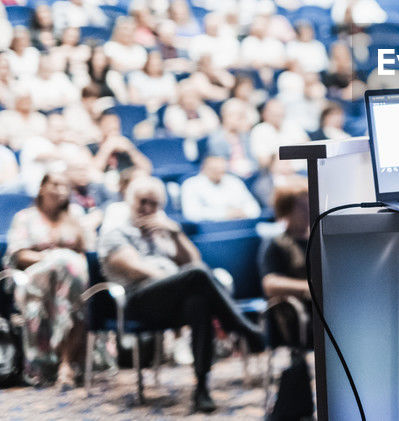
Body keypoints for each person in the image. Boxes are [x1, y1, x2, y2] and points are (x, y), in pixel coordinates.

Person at [98, 176, 264, 413]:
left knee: (200, 302)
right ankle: (240, 327)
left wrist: (175, 233)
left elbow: (194, 260)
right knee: (196, 276)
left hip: (173, 300)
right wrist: (179, 280)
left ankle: (202, 387)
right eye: (142, 202)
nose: (147, 209)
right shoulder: (116, 231)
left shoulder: (163, 231)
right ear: (129, 200)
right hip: (139, 301)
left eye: (154, 204)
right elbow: (136, 268)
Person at [5, 172, 91, 385]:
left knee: (69, 283)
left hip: (72, 280)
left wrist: (64, 261)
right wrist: (51, 259)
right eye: (55, 184)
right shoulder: (25, 217)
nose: (60, 190)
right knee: (63, 264)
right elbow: (20, 255)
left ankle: (66, 362)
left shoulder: (76, 216)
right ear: (42, 187)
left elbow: (87, 250)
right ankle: (64, 364)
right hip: (37, 275)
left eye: (64, 186)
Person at [260, 186, 312, 349]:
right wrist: (309, 287)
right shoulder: (276, 244)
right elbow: (270, 284)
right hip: (297, 308)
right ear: (287, 210)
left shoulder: (320, 237)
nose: (308, 211)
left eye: (309, 205)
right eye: (302, 207)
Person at [179, 153, 261, 222]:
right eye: (214, 169)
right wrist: (224, 214)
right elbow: (191, 214)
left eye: (222, 169)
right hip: (210, 231)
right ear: (204, 168)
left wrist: (243, 212)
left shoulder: (234, 181)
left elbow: (254, 208)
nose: (219, 172)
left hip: (238, 226)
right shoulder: (191, 184)